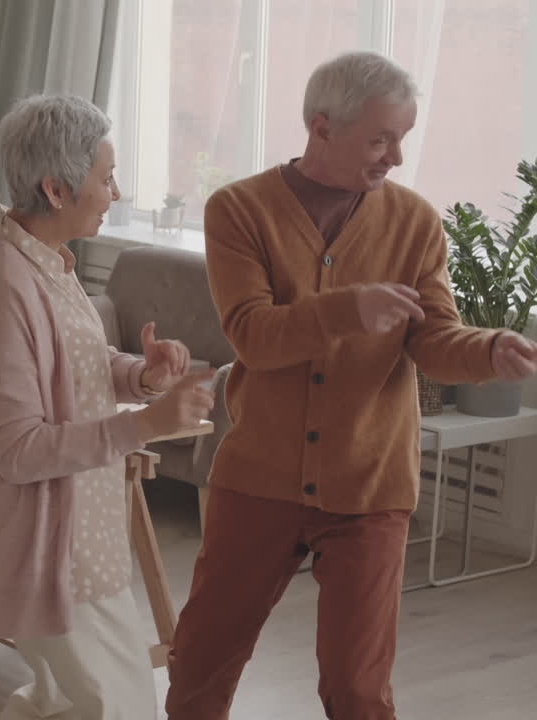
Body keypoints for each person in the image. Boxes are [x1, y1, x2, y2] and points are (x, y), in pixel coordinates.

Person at [164, 51, 537, 719]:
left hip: (369, 485)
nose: (395, 156)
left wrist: (488, 349)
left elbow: (432, 337)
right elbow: (251, 334)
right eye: (380, 138)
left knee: (359, 689)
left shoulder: (415, 222)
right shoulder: (239, 210)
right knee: (200, 665)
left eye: (403, 137)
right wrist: (349, 310)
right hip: (259, 479)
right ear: (320, 127)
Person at [0, 94, 215, 720]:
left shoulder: (42, 261)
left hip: (83, 537)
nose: (115, 192)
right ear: (56, 188)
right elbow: (18, 449)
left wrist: (143, 375)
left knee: (62, 705)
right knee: (119, 705)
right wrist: (146, 426)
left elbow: (79, 366)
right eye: (106, 178)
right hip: (47, 547)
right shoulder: (4, 283)